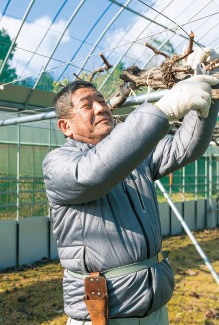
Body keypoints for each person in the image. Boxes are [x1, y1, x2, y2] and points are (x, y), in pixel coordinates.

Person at [42, 50, 219, 324]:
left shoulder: (135, 156)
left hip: (155, 305)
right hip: (105, 314)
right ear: (65, 126)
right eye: (87, 105)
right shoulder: (58, 164)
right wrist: (163, 109)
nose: (101, 107)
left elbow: (185, 148)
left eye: (101, 101)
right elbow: (95, 172)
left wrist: (207, 88)